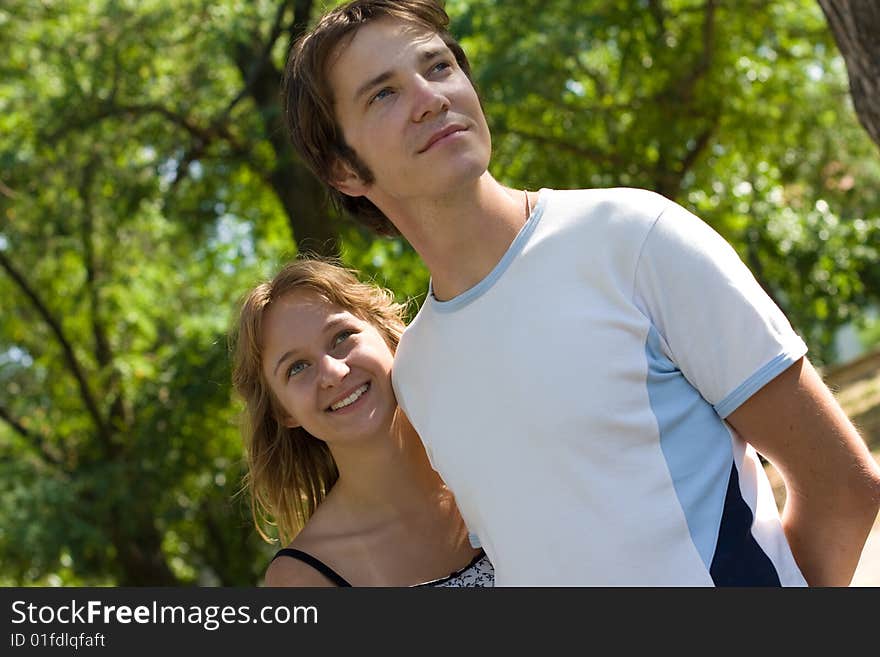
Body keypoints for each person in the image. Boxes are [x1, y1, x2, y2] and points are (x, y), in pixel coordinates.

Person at [281, 0, 880, 585]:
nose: (432, 98)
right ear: (345, 170)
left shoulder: (632, 239)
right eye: (383, 93)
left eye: (439, 66)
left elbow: (841, 486)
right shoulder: (416, 375)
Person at [230, 257, 494, 586]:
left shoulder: (500, 458)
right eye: (297, 367)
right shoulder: (303, 577)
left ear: (385, 333)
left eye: (341, 337)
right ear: (283, 412)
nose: (333, 373)